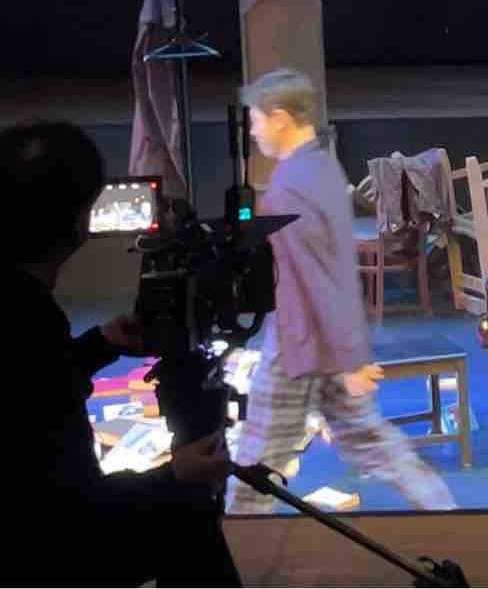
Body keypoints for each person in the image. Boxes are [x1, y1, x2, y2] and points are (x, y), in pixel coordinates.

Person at [4, 122, 242, 586]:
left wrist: (100, 345)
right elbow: (67, 512)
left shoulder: (20, 310)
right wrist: (174, 479)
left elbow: (25, 395)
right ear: (78, 223)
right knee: (188, 518)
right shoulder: (30, 318)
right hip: (37, 553)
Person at [225, 69, 456, 513]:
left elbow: (317, 275)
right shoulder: (322, 167)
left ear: (279, 118)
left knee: (255, 464)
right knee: (374, 445)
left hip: (298, 344)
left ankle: (235, 545)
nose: (252, 132)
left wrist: (350, 359)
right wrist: (350, 353)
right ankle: (443, 512)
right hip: (323, 341)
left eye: (255, 120)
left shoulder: (291, 185)